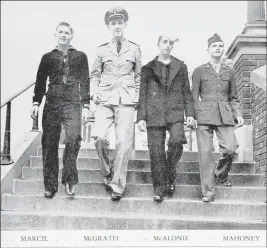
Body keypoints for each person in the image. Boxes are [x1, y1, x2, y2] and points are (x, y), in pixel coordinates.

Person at [31, 22, 90, 198]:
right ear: (55, 35)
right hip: (53, 101)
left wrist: (86, 105)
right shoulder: (47, 57)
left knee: (73, 138)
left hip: (72, 102)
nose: (63, 35)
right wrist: (36, 102)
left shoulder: (80, 56)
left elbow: (85, 82)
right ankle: (50, 185)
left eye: (67, 33)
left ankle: (69, 180)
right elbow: (40, 81)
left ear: (71, 36)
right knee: (49, 143)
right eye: (60, 32)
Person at [90, 6, 142, 201]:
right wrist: (94, 93)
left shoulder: (135, 49)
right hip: (105, 99)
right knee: (99, 137)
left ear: (125, 25)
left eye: (120, 22)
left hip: (127, 101)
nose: (117, 26)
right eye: (113, 23)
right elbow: (94, 75)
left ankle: (118, 186)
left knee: (123, 142)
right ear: (108, 26)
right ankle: (106, 171)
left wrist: (136, 96)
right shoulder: (101, 50)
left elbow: (138, 76)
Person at [136, 35, 195, 202]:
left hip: (175, 112)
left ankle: (169, 172)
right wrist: (141, 117)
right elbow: (143, 94)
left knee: (177, 141)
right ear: (158, 44)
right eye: (164, 42)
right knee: (156, 152)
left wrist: (190, 114)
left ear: (173, 46)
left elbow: (187, 92)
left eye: (170, 43)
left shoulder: (180, 66)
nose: (167, 45)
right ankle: (159, 188)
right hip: (154, 113)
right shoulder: (148, 68)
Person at [192, 33, 244, 203]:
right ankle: (208, 191)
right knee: (206, 154)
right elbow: (193, 96)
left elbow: (233, 97)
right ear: (208, 50)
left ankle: (221, 174)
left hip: (224, 114)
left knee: (230, 148)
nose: (218, 48)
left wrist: (238, 114)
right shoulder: (200, 70)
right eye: (215, 46)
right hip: (204, 115)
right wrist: (191, 116)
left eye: (221, 46)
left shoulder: (229, 71)